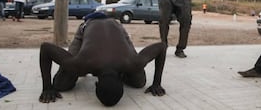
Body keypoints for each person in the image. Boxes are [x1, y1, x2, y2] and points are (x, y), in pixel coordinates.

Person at [38, 13, 167, 106]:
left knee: (139, 81)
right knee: (62, 84)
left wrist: (157, 83)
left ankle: (125, 72)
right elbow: (45, 48)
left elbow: (161, 47)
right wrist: (47, 88)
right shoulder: (82, 63)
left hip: (115, 27)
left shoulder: (132, 62)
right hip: (88, 26)